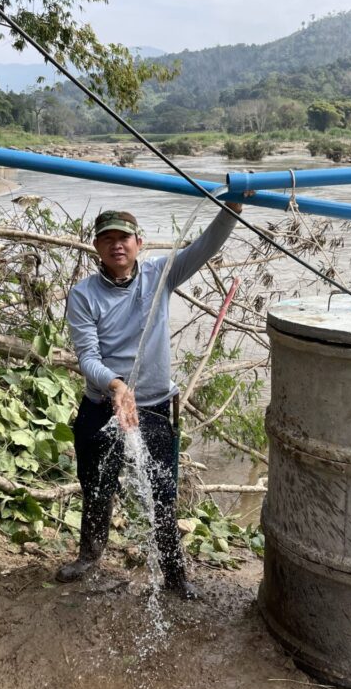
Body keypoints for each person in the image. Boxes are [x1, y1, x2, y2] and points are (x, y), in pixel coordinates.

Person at [58, 202, 243, 598]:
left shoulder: (162, 274)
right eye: (107, 240)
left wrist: (232, 207)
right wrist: (117, 387)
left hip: (155, 409)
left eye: (123, 238)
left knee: (162, 493)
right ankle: (90, 556)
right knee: (95, 486)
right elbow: (88, 357)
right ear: (96, 248)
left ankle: (176, 576)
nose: (116, 246)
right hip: (102, 406)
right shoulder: (83, 295)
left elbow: (206, 246)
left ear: (139, 243)